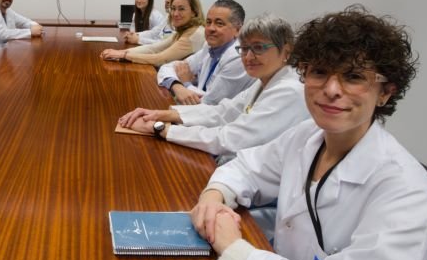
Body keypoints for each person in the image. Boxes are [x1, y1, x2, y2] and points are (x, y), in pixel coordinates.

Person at [190, 7, 427, 260]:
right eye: (319, 71)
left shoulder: (406, 192)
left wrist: (233, 248)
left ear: (385, 92)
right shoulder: (307, 136)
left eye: (354, 76)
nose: (331, 89)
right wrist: (213, 196)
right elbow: (246, 167)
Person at [118, 14, 309, 158]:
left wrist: (160, 128)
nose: (248, 57)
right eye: (244, 48)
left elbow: (231, 139)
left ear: (286, 51)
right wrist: (163, 115)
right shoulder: (266, 79)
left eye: (258, 48)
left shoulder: (288, 91)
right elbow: (224, 111)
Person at [157, 0, 255, 105]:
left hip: (216, 119)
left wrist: (186, 84)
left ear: (237, 30)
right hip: (194, 112)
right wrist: (177, 86)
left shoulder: (238, 58)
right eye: (208, 22)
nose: (211, 28)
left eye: (219, 23)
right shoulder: (209, 47)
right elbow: (167, 67)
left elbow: (210, 103)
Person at [101, 0, 205, 67]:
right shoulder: (183, 31)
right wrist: (120, 52)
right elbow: (154, 48)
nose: (175, 13)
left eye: (181, 9)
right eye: (173, 9)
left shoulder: (195, 34)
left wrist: (123, 55)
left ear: (194, 12)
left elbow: (160, 59)